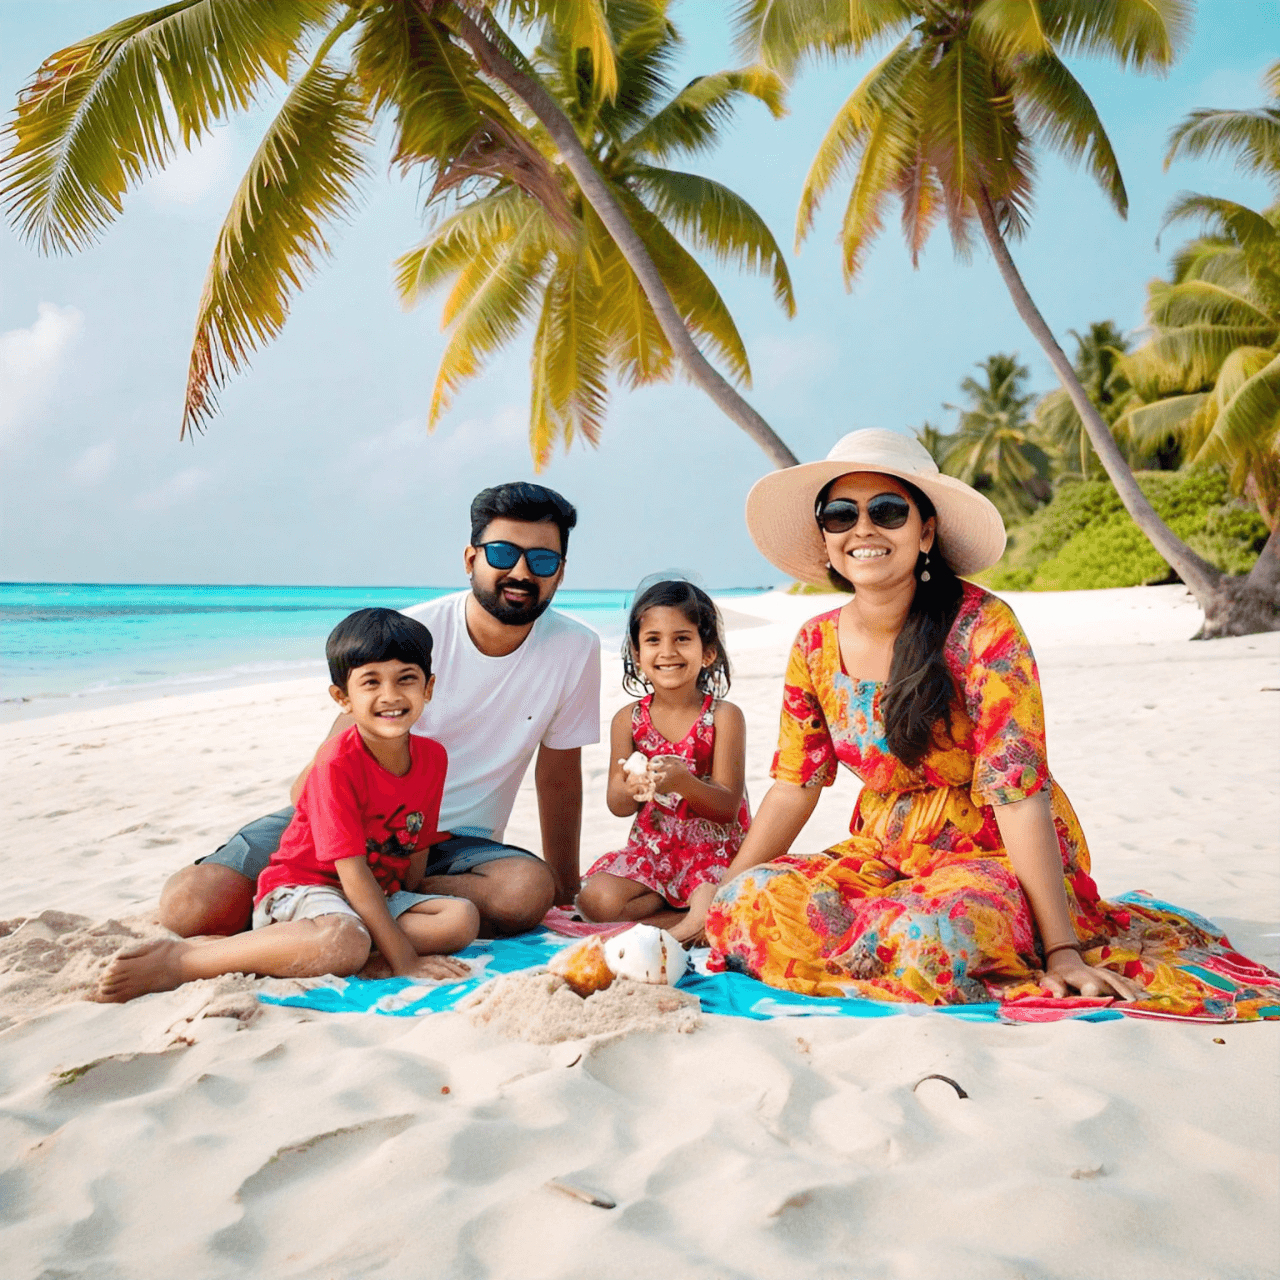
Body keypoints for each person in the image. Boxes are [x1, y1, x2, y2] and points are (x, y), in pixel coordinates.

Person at [696, 429, 1280, 1019]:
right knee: (747, 904)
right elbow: (796, 784)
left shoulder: (983, 629)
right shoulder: (814, 644)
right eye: (841, 514)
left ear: (925, 532)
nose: (863, 529)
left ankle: (987, 937)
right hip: (887, 850)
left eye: (889, 511)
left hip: (999, 853)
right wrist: (721, 889)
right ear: (825, 537)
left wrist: (1063, 951)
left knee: (934, 939)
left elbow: (1019, 794)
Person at [158, 483, 601, 939]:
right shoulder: (411, 636)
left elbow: (559, 778)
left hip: (452, 847)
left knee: (525, 892)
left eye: (542, 560)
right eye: (503, 554)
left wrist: (566, 892)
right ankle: (351, 898)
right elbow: (317, 776)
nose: (522, 572)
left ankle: (361, 901)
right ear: (471, 559)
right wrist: (347, 849)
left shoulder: (575, 647)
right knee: (191, 906)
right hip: (341, 822)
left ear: (561, 572)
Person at [98, 609, 478, 1001]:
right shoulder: (337, 761)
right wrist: (405, 960)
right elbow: (350, 874)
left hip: (373, 893)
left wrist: (412, 900)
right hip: (304, 888)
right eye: (371, 682)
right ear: (342, 698)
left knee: (460, 919)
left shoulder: (433, 757)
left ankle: (330, 948)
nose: (391, 696)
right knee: (343, 939)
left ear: (428, 688)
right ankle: (185, 961)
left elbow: (416, 846)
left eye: (406, 679)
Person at [577, 580, 749, 935]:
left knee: (710, 895)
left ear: (708, 653)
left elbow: (727, 808)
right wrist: (629, 787)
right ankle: (686, 917)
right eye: (653, 640)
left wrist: (683, 782)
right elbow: (617, 805)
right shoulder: (629, 720)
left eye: (682, 638)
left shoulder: (723, 717)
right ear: (638, 656)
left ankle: (688, 925)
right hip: (654, 853)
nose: (667, 651)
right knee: (596, 900)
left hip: (712, 852)